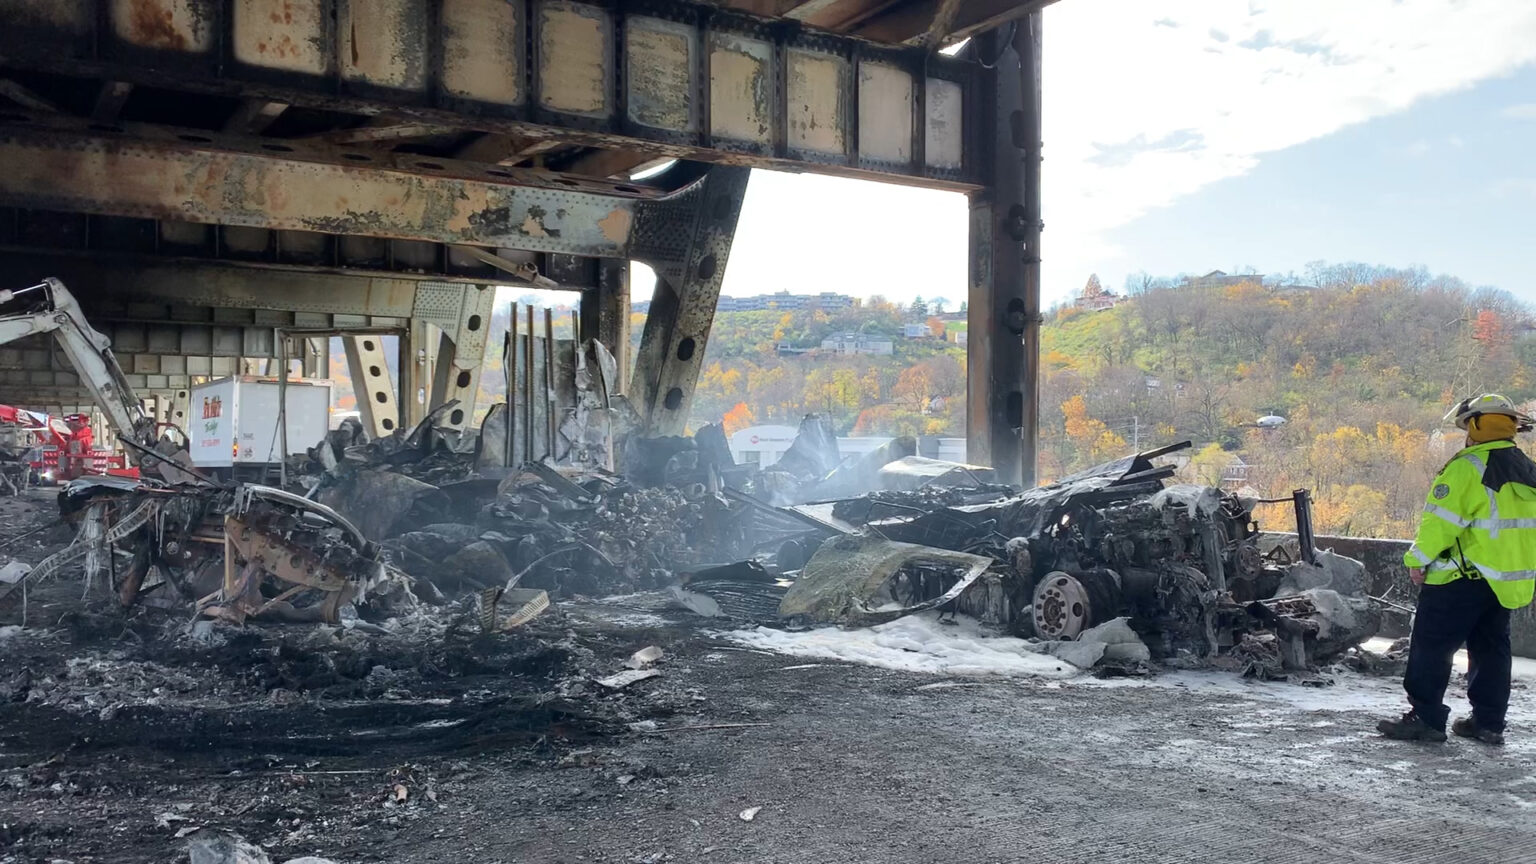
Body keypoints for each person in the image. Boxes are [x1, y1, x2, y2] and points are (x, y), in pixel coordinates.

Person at [1378, 394, 1536, 745]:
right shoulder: (1526, 469)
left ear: (1477, 425)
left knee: (1432, 646)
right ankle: (1488, 723)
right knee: (1492, 650)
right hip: (1503, 581)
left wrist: (1417, 560)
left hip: (1460, 576)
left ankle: (1427, 719)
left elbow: (1440, 524)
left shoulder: (1467, 467)